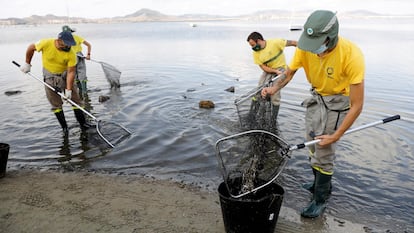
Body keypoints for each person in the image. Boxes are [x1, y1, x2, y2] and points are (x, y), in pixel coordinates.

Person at [261, 10, 365, 218]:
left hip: (337, 103)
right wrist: (273, 89)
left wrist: (337, 135)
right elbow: (289, 73)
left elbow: (357, 105)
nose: (313, 49)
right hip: (316, 98)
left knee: (324, 151)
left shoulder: (352, 55)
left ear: (331, 36)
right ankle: (317, 183)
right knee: (311, 144)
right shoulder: (306, 46)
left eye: (318, 42)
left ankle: (321, 199)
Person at [20, 31, 89, 135]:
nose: (69, 46)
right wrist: (27, 63)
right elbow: (31, 47)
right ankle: (65, 129)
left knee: (76, 100)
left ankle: (83, 125)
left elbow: (71, 72)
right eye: (66, 44)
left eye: (70, 44)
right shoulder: (46, 43)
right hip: (50, 75)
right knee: (55, 104)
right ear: (59, 40)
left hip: (65, 74)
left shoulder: (71, 54)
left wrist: (69, 90)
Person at [246, 32, 297, 128]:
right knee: (258, 91)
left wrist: (304, 51)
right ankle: (252, 115)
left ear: (259, 40)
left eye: (253, 45)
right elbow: (263, 67)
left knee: (275, 94)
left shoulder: (275, 42)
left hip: (281, 69)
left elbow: (294, 43)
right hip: (269, 70)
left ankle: (273, 121)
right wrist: (274, 71)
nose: (253, 48)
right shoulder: (255, 53)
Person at [62, 25, 92, 99]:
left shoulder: (76, 37)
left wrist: (88, 55)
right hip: (70, 58)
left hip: (79, 57)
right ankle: (81, 91)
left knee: (81, 74)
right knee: (74, 75)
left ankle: (84, 92)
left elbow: (88, 45)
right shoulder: (62, 40)